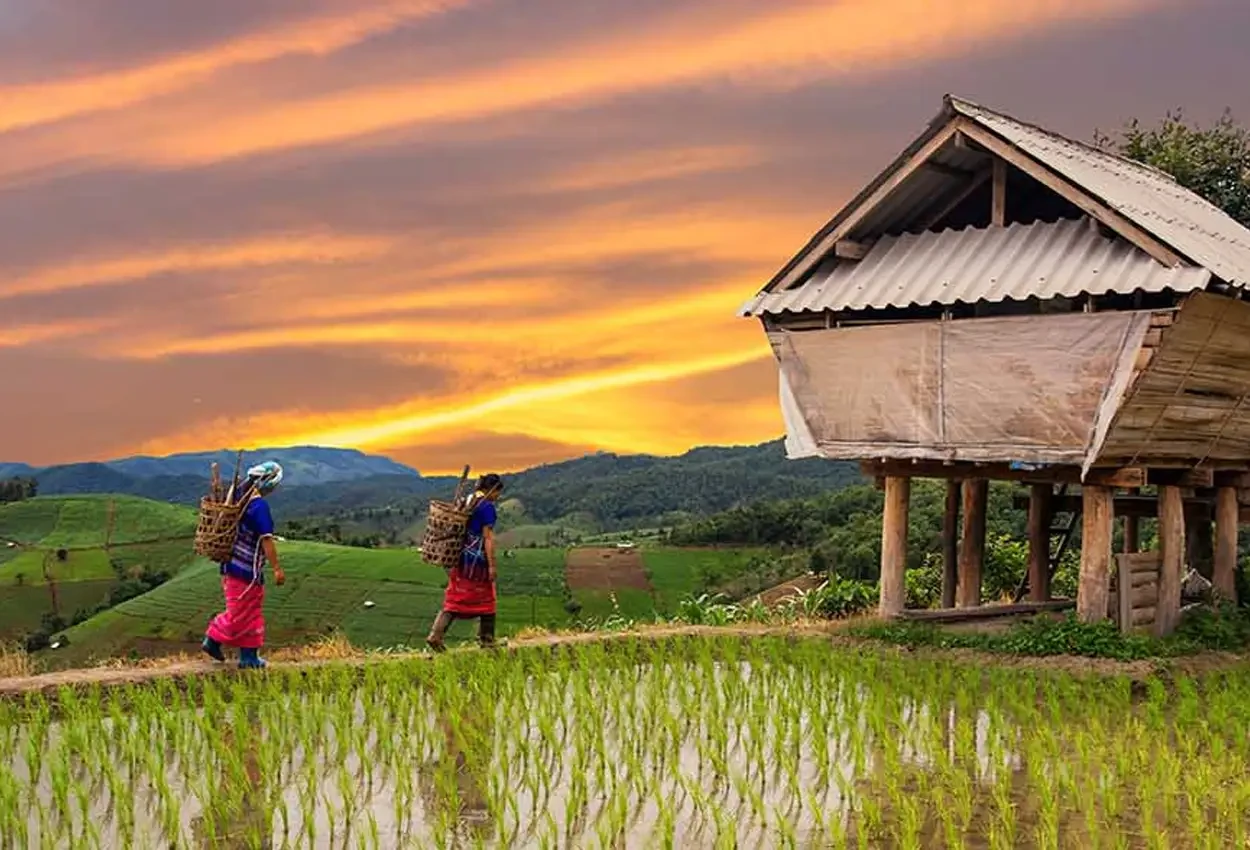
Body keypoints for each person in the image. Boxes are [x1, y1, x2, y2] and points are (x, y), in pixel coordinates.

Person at [202, 461, 286, 669]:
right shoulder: (258, 507)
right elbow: (266, 539)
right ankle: (215, 640)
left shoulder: (238, 498)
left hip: (231, 565)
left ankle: (247, 656)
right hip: (246, 569)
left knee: (247, 611)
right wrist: (277, 568)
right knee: (242, 612)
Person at [427, 473, 503, 652]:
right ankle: (487, 640)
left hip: (459, 557)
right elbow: (488, 538)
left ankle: (436, 635)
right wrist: (492, 565)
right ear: (492, 489)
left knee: (456, 596)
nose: (498, 497)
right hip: (476, 559)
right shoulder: (487, 507)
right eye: (498, 492)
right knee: (487, 599)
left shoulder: (466, 500)